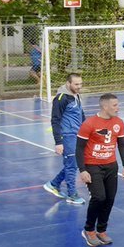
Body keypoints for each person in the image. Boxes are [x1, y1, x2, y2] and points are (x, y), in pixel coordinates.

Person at [76, 93, 124, 247]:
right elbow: (79, 148)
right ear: (105, 106)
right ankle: (89, 230)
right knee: (99, 197)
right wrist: (82, 170)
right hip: (93, 166)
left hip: (111, 166)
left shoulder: (118, 123)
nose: (117, 108)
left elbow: (122, 144)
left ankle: (101, 230)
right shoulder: (89, 124)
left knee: (110, 199)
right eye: (115, 105)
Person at [45, 73, 87, 205]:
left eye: (80, 84)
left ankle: (54, 184)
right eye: (76, 84)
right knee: (71, 166)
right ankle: (72, 194)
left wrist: (88, 130)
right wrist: (59, 142)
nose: (79, 86)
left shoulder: (76, 95)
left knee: (73, 164)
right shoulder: (61, 98)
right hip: (68, 136)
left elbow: (81, 114)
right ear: (68, 83)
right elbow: (55, 120)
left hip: (77, 135)